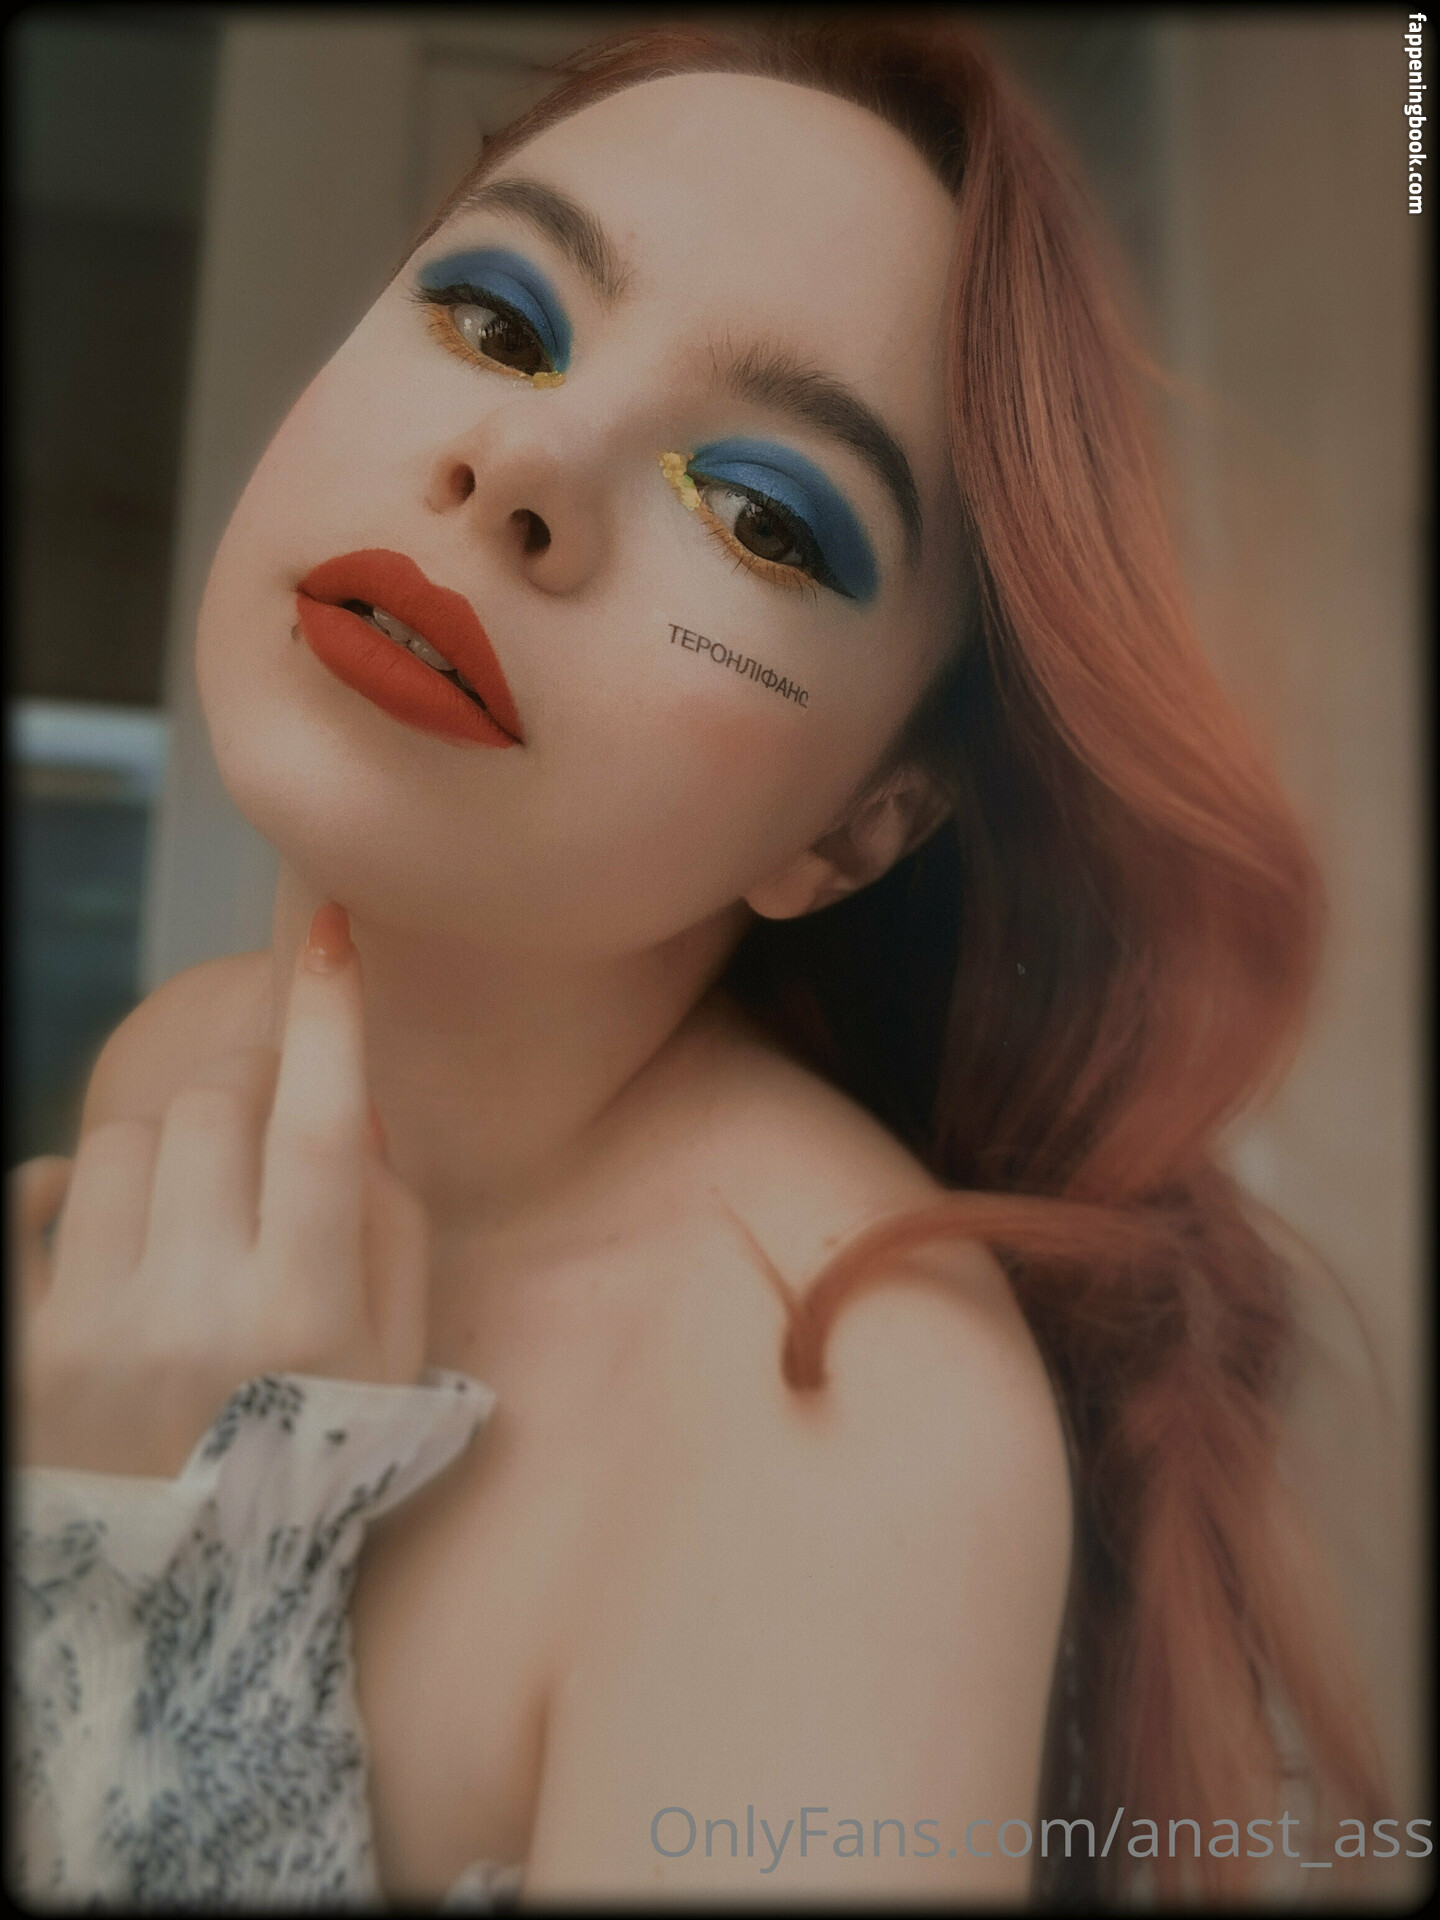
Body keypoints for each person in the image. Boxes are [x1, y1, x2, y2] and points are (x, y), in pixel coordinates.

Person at [7, 15, 1388, 1909]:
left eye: (759, 516)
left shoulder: (856, 1411)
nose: (524, 460)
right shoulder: (183, 1073)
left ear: (859, 828)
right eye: (496, 318)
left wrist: (175, 1598)